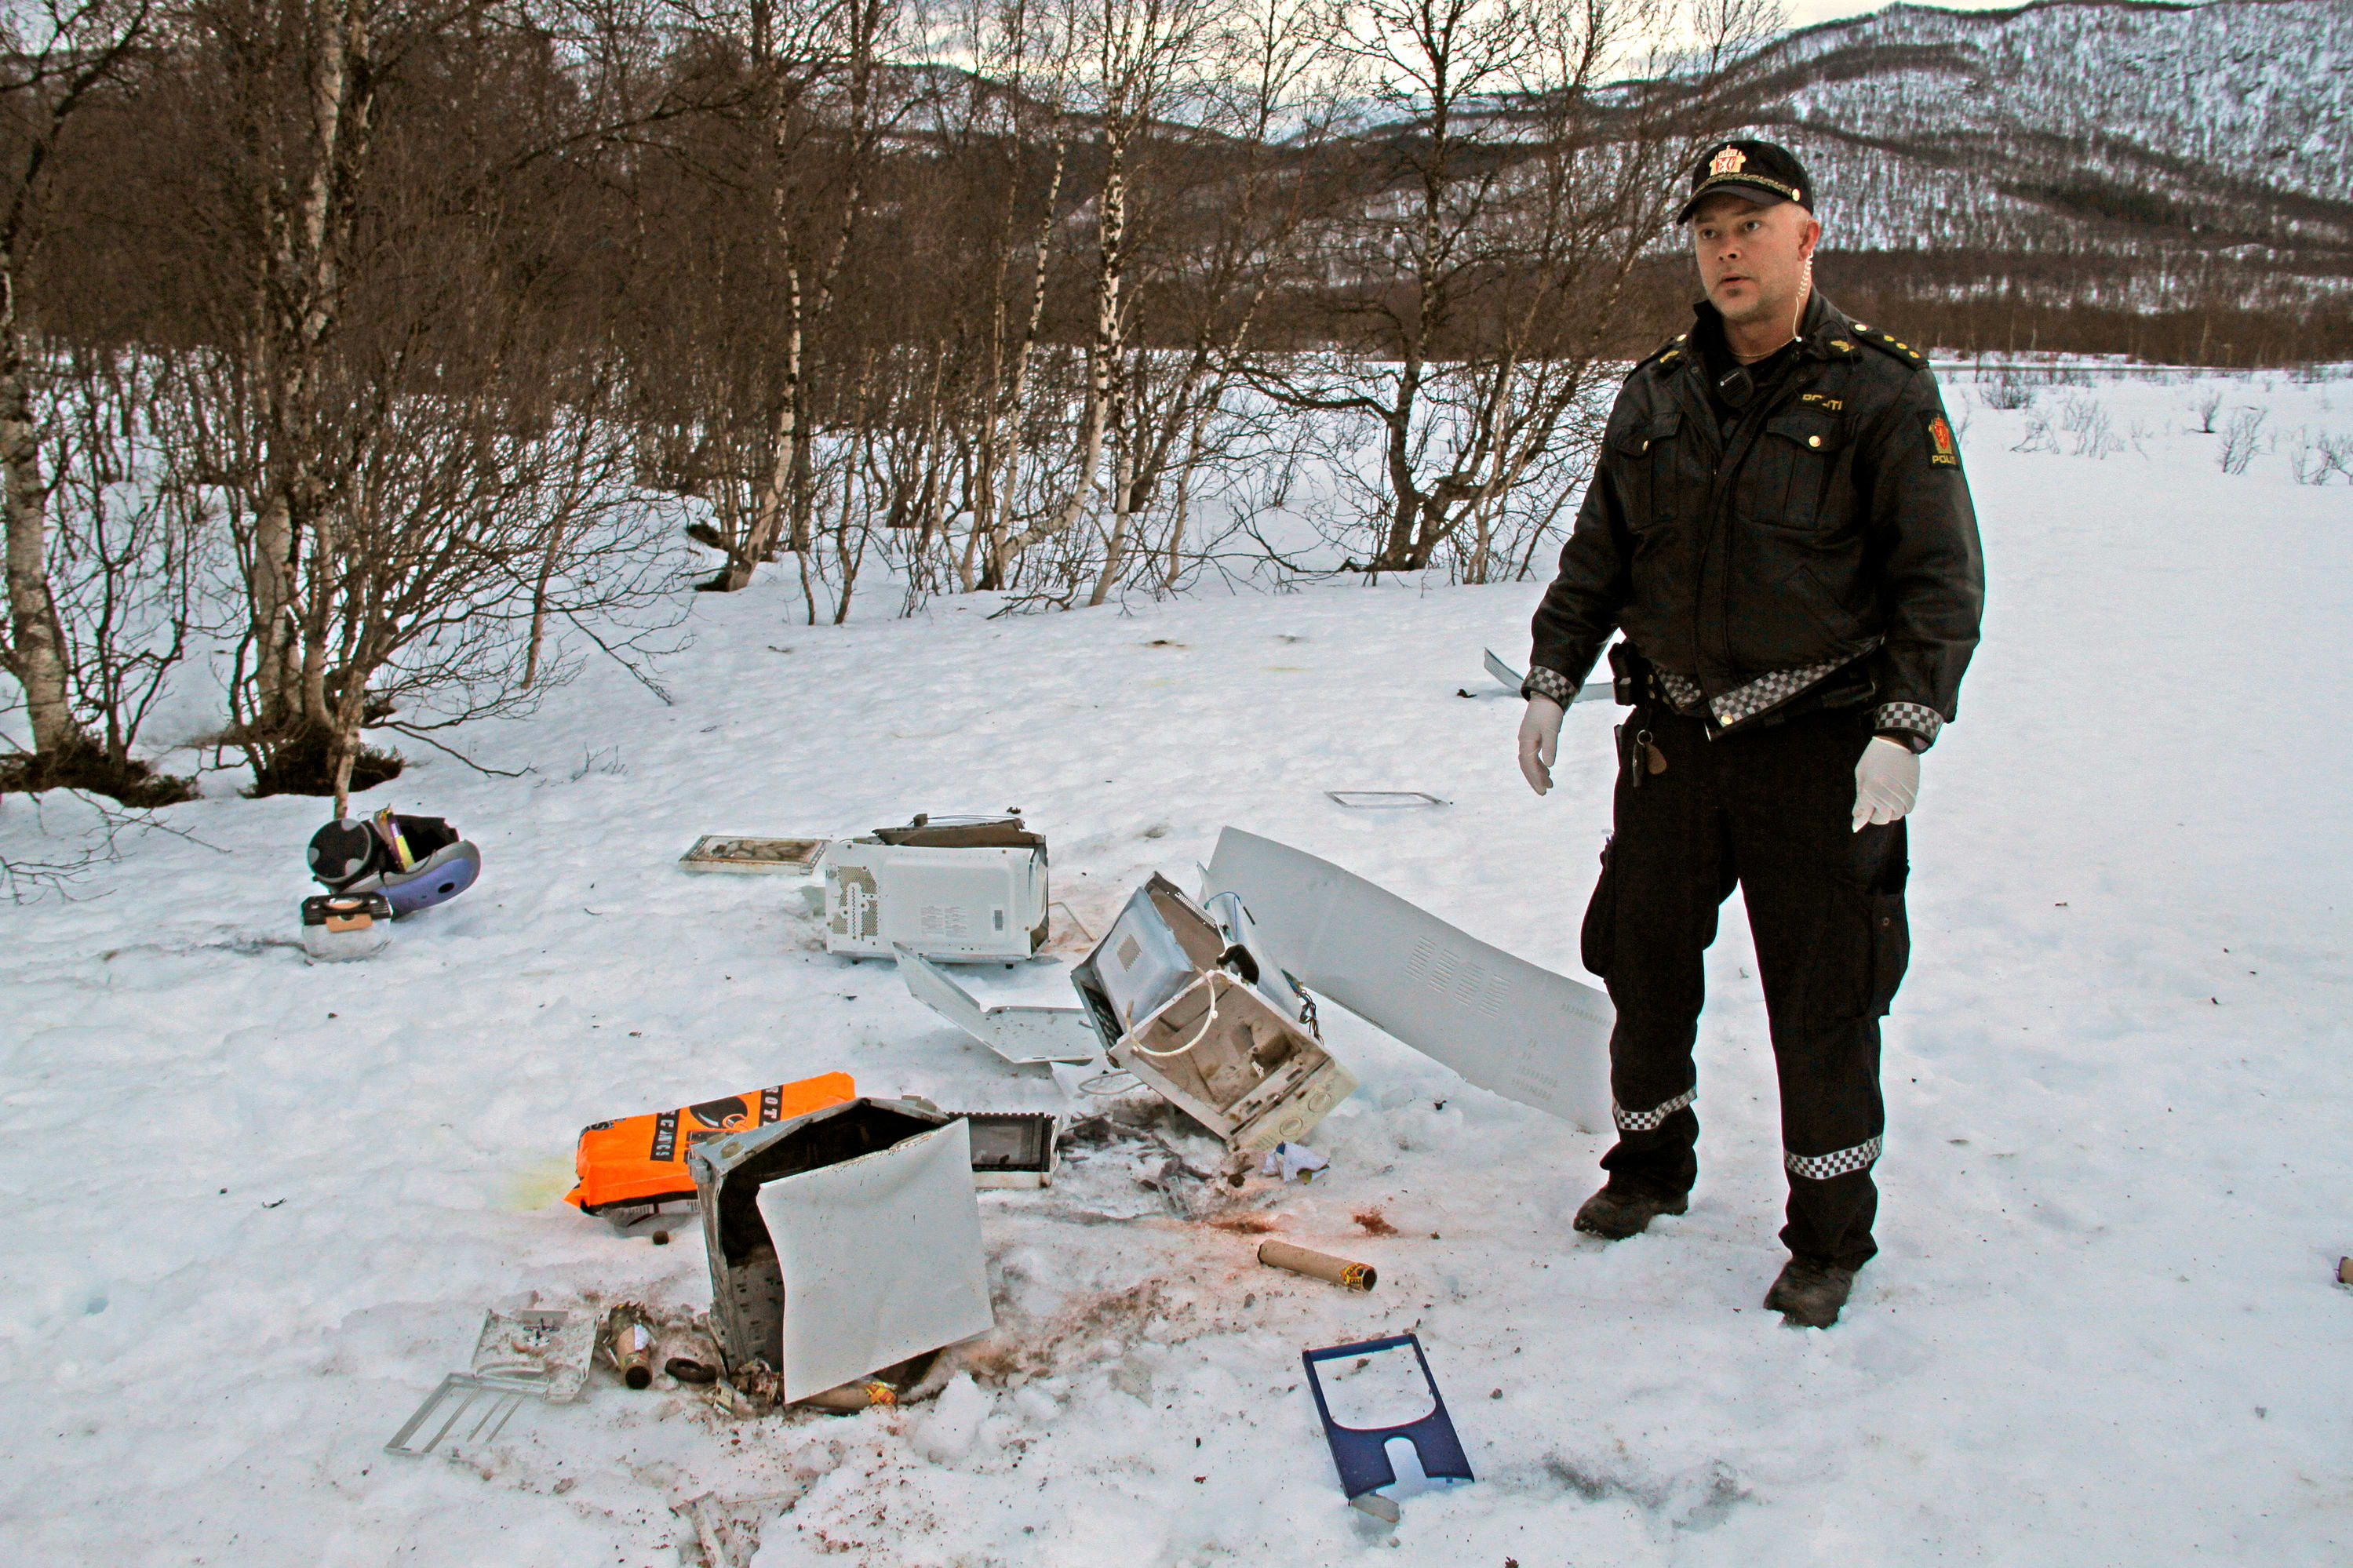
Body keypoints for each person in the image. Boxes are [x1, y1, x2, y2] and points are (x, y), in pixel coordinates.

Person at [1516, 139, 1983, 1328]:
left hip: (1816, 747)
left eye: (1752, 227)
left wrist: (1905, 729)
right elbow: (1600, 553)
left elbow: (1938, 580)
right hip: (1675, 741)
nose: (1728, 251)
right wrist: (1552, 677)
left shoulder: (1880, 391)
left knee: (1824, 995)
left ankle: (1828, 1236)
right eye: (1710, 232)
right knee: (1643, 964)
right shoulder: (1659, 390)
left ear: (1806, 238)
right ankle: (1647, 1167)